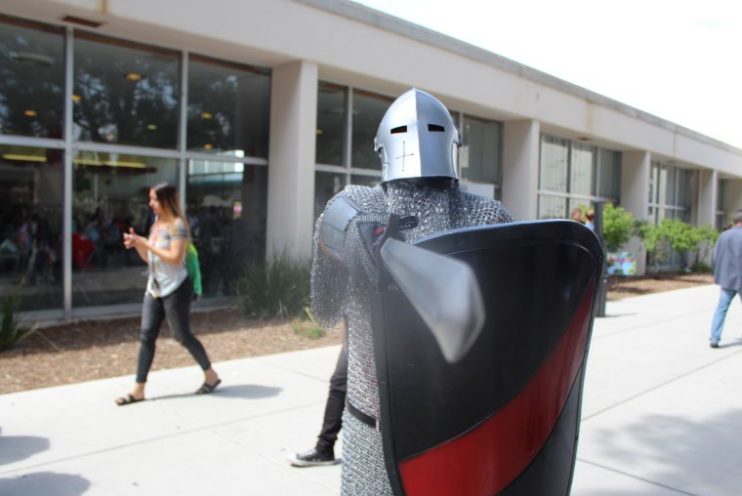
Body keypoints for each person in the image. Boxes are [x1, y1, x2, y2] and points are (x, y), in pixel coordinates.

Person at [311, 89, 512, 495]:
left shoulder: (488, 218)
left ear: (383, 148)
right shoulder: (355, 207)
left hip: (456, 419)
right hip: (375, 420)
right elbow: (326, 305)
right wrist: (353, 234)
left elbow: (511, 322)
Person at [115, 182, 220, 406]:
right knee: (146, 336)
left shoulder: (177, 226)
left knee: (182, 335)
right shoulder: (156, 225)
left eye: (154, 199)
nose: (150, 203)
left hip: (175, 288)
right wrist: (138, 245)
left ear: (165, 201)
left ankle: (210, 375)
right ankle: (138, 389)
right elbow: (151, 259)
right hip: (155, 288)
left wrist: (147, 244)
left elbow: (174, 258)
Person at [289, 322, 347, 467]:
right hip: (362, 330)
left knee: (340, 384)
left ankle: (325, 447)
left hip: (380, 328)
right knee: (339, 384)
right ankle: (324, 447)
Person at [709, 209, 742, 348]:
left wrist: (718, 273)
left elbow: (715, 256)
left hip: (727, 278)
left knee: (721, 308)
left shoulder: (723, 235)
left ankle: (714, 338)